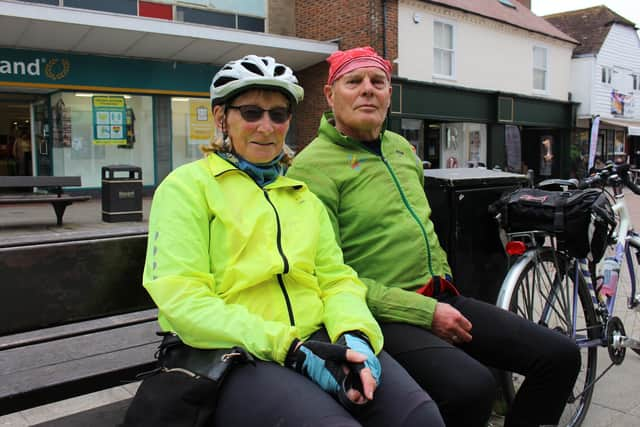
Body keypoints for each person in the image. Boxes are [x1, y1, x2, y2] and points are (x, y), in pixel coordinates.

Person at [124, 54, 444, 427]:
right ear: (220, 117)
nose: (266, 127)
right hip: (233, 352)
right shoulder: (187, 188)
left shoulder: (301, 195)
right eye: (251, 112)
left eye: (278, 115)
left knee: (420, 419)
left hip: (319, 338)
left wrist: (355, 334)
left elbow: (336, 278)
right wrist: (291, 349)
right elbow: (184, 298)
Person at [288, 46, 581, 427]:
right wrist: (425, 313)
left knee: (559, 356)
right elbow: (326, 277)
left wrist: (441, 287)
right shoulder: (312, 168)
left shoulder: (400, 150)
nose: (367, 90)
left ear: (389, 93)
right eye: (353, 81)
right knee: (471, 388)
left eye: (378, 81)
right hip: (378, 313)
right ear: (329, 95)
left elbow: (420, 224)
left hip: (440, 294)